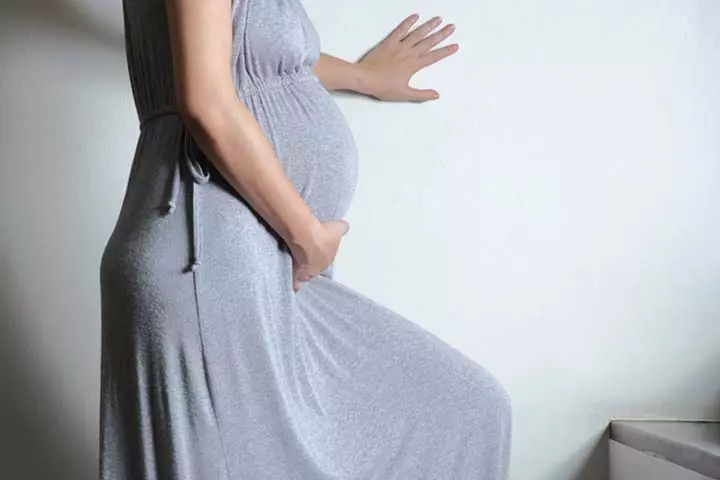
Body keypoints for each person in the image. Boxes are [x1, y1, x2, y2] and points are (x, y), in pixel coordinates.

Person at [99, 0, 512, 478]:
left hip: (249, 257)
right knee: (463, 409)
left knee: (467, 408)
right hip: (210, 251)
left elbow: (243, 50)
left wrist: (359, 75)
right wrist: (306, 236)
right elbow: (208, 102)